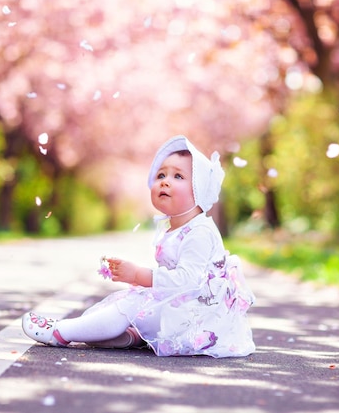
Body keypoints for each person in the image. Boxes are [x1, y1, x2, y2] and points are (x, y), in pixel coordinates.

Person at [21, 135, 256, 357]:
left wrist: (139, 275)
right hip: (184, 309)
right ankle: (134, 336)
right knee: (135, 302)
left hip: (200, 318)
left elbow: (188, 280)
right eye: (161, 175)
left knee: (133, 302)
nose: (165, 181)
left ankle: (62, 332)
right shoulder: (174, 228)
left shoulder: (200, 232)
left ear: (200, 190)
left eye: (178, 177)